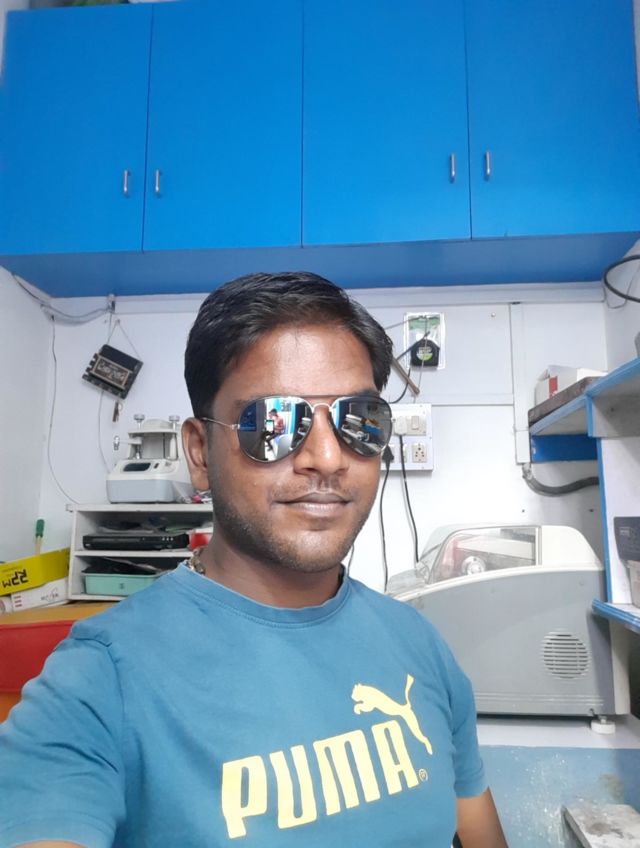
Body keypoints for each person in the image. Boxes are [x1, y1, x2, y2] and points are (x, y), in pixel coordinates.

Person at [0, 271, 508, 848]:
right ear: (200, 452)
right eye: (273, 422)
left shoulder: (419, 645)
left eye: (358, 419)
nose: (326, 458)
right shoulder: (101, 681)